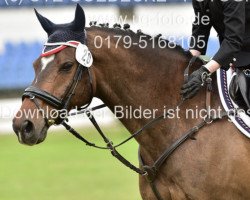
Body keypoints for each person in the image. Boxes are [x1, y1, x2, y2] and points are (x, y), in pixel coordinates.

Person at [181, 0, 250, 100]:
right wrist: (187, 62)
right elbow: (201, 27)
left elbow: (233, 41)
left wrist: (203, 71)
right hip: (233, 53)